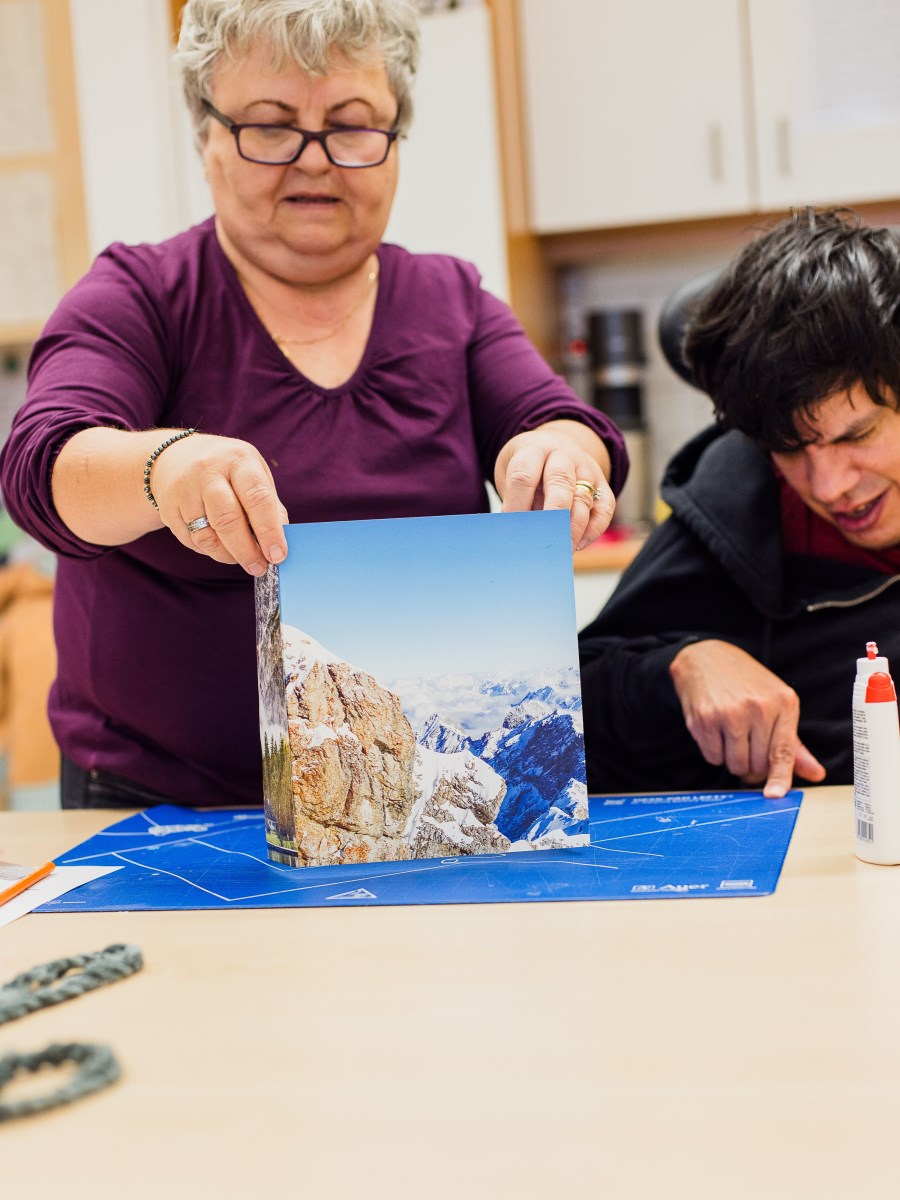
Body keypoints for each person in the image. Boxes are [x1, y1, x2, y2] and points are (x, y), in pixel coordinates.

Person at [0, 0, 626, 810]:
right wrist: (167, 468)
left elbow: (566, 426)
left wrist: (562, 453)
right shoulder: (140, 295)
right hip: (158, 809)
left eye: (352, 125)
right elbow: (44, 465)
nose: (314, 161)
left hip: (403, 809)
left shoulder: (453, 300)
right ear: (206, 134)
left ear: (397, 137)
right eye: (270, 126)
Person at [579, 207, 900, 799]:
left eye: (855, 436)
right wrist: (680, 665)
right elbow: (565, 715)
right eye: (789, 448)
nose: (828, 487)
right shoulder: (732, 512)